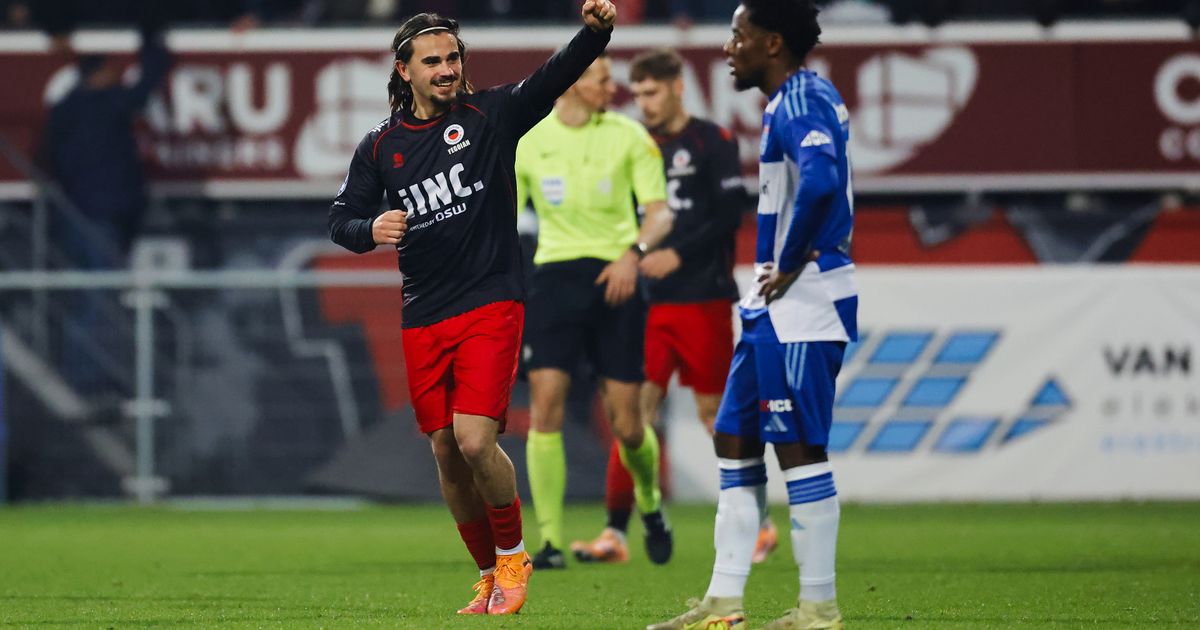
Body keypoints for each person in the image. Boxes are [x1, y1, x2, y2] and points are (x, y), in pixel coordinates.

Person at [327, 1, 617, 616]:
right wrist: (369, 228)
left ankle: (513, 556)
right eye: (432, 60)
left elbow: (553, 77)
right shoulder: (379, 146)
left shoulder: (491, 116)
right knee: (444, 451)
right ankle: (487, 574)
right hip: (423, 311)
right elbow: (340, 220)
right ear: (403, 70)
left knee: (475, 440)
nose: (446, 69)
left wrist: (595, 35)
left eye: (453, 58)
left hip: (490, 300)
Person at [649, 1, 857, 628]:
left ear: (771, 43)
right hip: (770, 307)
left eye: (738, 35)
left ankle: (819, 605)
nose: (728, 47)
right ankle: (724, 600)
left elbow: (822, 181)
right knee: (734, 439)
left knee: (798, 450)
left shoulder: (802, 99)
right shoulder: (787, 101)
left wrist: (790, 261)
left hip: (804, 305)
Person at [569, 48, 780, 566]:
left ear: (677, 87)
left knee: (715, 414)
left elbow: (729, 212)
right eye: (637, 94)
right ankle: (615, 533)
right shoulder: (632, 142)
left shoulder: (712, 140)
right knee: (632, 416)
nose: (644, 103)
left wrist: (677, 253)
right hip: (645, 306)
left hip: (702, 299)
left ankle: (759, 523)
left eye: (652, 92)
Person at [515, 53, 674, 570]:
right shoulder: (529, 142)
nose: (613, 88)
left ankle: (650, 503)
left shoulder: (630, 137)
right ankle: (549, 542)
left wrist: (634, 254)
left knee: (628, 425)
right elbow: (504, 217)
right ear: (571, 84)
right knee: (546, 408)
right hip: (554, 279)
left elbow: (660, 215)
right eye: (602, 80)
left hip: (617, 280)